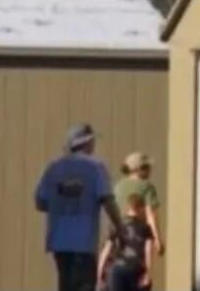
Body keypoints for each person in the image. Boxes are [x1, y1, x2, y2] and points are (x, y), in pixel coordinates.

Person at [35, 123, 127, 291]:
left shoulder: (54, 168)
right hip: (83, 241)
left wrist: (63, 202)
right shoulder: (95, 167)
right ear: (86, 143)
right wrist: (120, 229)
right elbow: (107, 200)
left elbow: (40, 202)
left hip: (59, 241)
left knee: (66, 285)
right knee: (83, 285)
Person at [97, 189, 156, 291]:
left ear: (129, 207)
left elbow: (106, 251)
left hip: (117, 268)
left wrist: (99, 272)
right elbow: (148, 251)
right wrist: (148, 273)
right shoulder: (145, 228)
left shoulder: (118, 226)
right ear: (141, 208)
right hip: (135, 269)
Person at [113, 152, 164, 258]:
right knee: (138, 269)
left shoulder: (118, 187)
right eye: (147, 167)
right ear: (139, 169)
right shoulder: (147, 186)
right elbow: (151, 215)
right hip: (138, 235)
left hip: (120, 233)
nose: (150, 170)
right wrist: (157, 239)